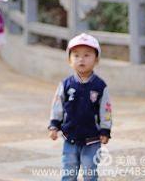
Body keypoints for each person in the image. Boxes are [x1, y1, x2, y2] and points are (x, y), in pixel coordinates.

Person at [48, 33, 112, 180]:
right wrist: (54, 125)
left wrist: (105, 129)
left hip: (93, 138)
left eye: (87, 55)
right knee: (69, 171)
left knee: (90, 171)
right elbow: (57, 106)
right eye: (76, 55)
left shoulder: (100, 86)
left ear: (96, 59)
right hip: (69, 137)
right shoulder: (66, 85)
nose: (81, 59)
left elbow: (106, 109)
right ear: (69, 60)